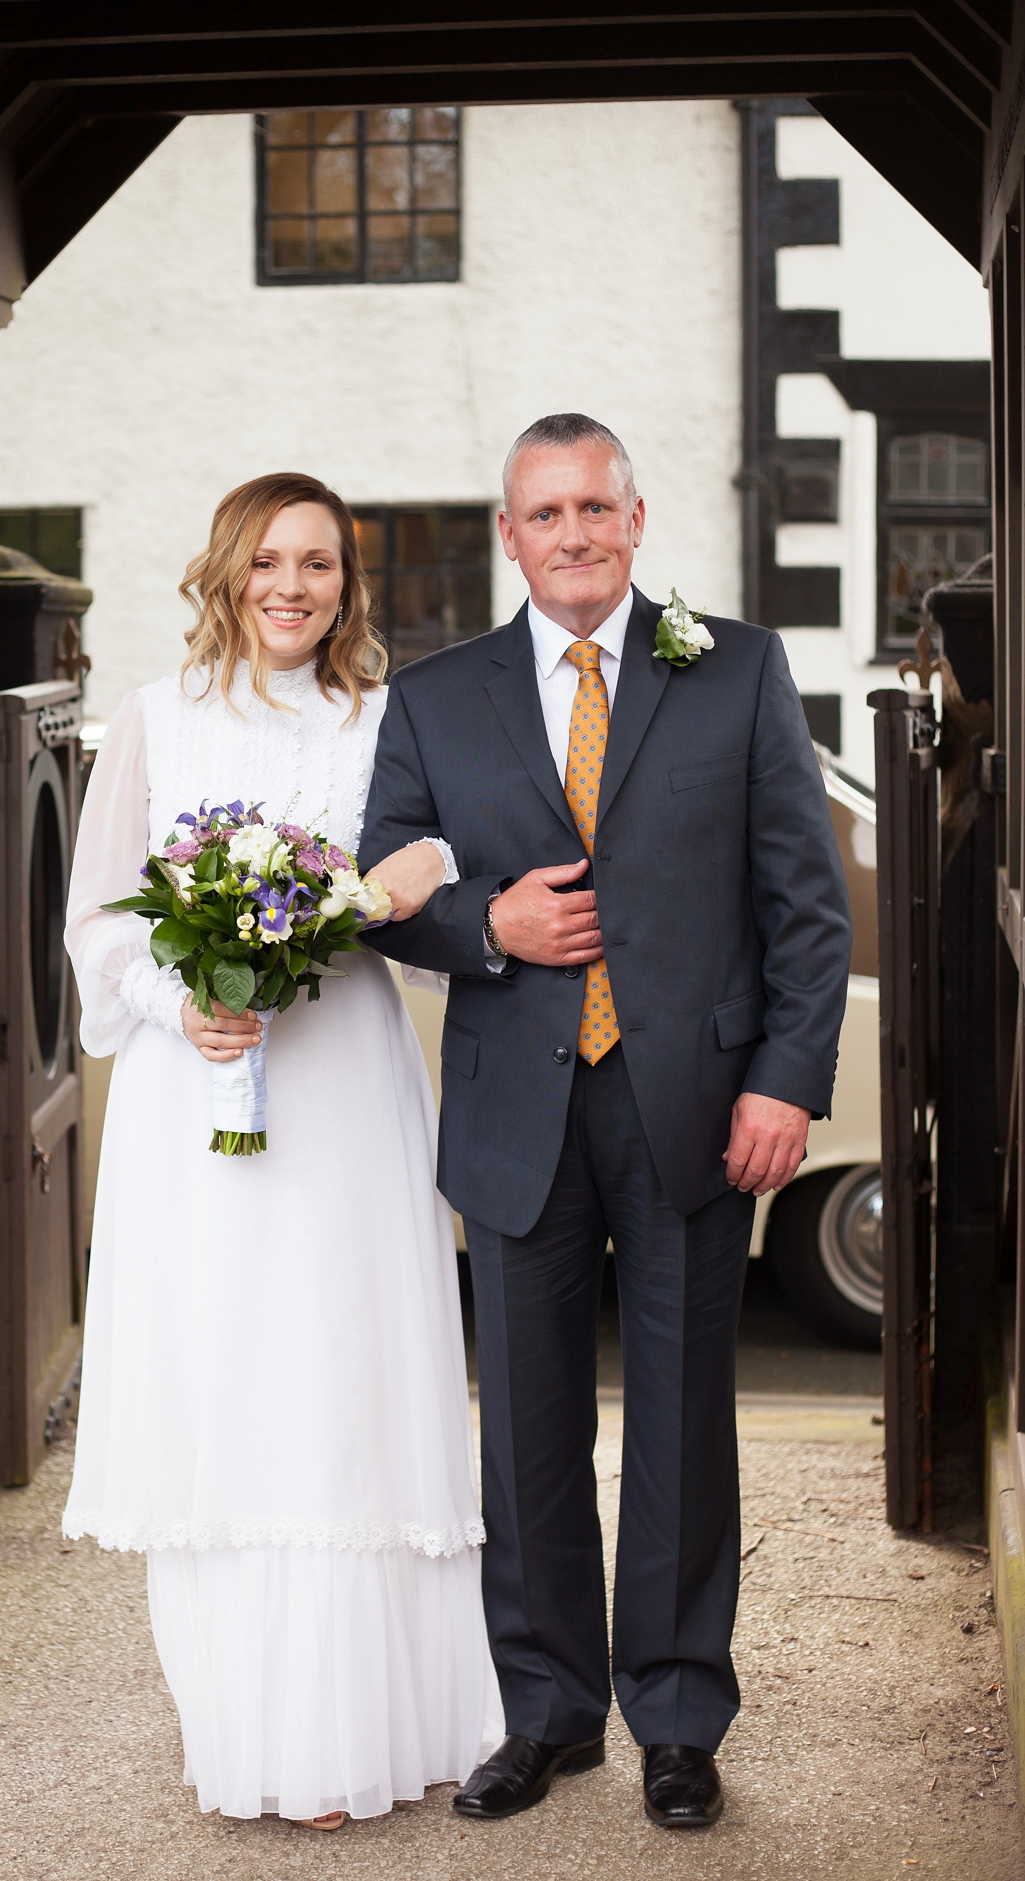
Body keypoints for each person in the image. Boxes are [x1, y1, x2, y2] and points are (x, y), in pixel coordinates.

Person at [358, 413, 852, 1830]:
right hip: (520, 1108)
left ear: (638, 520)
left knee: (688, 1423)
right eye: (544, 513)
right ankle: (550, 1710)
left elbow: (803, 907)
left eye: (595, 507)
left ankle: (681, 1717)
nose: (572, 534)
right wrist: (486, 922)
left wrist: (786, 1076)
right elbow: (391, 894)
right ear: (508, 535)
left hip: (697, 1102)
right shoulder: (438, 696)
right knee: (522, 1429)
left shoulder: (739, 668)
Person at [63, 472, 498, 1830]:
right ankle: (250, 1725)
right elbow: (97, 924)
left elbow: (428, 875)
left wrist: (391, 884)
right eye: (268, 560)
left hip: (345, 1088)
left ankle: (376, 1721)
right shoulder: (156, 719)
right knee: (228, 1382)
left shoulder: (387, 720)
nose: (293, 585)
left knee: (340, 1372)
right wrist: (173, 997)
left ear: (348, 584)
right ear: (227, 572)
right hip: (196, 1097)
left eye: (319, 562)